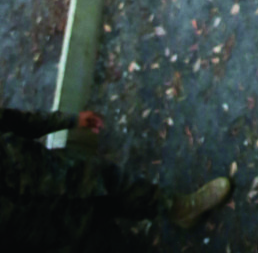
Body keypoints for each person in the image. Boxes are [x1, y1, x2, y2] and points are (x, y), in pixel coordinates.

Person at [0, 102, 232, 249]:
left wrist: (69, 120)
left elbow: (17, 122)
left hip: (61, 174)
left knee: (125, 189)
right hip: (56, 235)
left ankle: (181, 208)